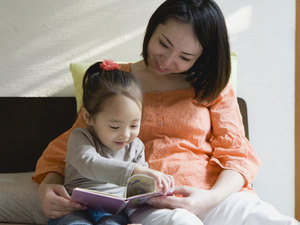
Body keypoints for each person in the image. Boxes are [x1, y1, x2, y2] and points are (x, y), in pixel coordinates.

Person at [34, 0, 300, 224]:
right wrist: (48, 188)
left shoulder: (213, 86)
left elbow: (237, 155)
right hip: (155, 202)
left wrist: (210, 198)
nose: (168, 61)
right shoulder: (115, 83)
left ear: (203, 56)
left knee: (271, 220)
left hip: (216, 195)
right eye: (163, 44)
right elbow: (71, 147)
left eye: (185, 57)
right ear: (152, 29)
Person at [48, 60, 174, 225]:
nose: (126, 134)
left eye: (134, 125)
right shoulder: (80, 138)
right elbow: (90, 164)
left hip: (112, 213)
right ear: (88, 117)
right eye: (115, 126)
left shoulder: (136, 147)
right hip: (75, 209)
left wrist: (153, 188)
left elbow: (138, 188)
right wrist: (135, 171)